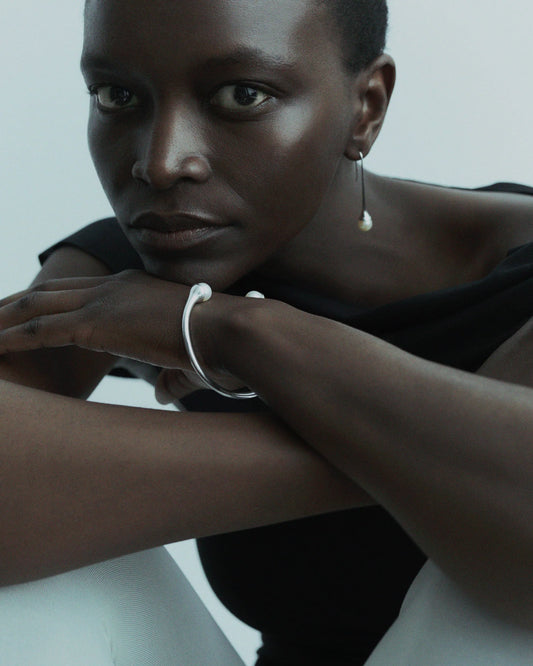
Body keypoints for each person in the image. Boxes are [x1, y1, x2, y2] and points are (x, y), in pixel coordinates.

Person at [1, 0, 533, 664]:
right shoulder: (137, 269)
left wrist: (236, 332)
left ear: (366, 106)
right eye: (117, 95)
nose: (161, 163)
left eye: (241, 95)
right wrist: (423, 460)